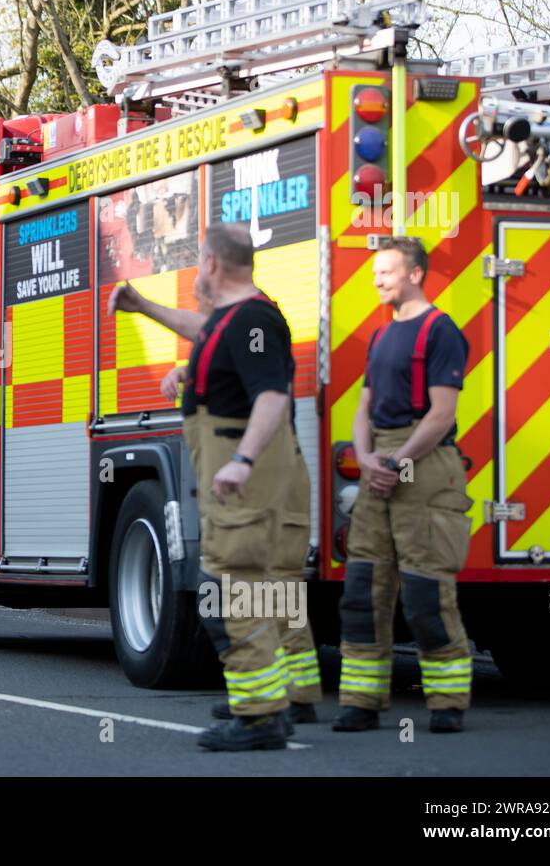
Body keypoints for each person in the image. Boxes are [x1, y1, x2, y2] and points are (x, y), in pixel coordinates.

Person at [111, 225, 310, 751]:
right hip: (229, 476)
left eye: (198, 260)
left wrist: (243, 460)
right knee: (240, 590)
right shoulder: (233, 320)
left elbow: (272, 396)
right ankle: (266, 704)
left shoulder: (255, 319)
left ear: (213, 263)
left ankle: (260, 715)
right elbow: (204, 333)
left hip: (242, 477)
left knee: (231, 591)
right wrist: (145, 309)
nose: (197, 270)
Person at [333, 236, 473, 734]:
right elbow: (364, 407)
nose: (376, 279)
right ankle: (361, 702)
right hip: (381, 462)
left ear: (415, 274)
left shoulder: (441, 332)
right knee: (364, 587)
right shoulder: (382, 335)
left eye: (387, 271)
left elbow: (441, 415)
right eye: (375, 272)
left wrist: (395, 461)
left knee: (424, 591)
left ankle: (448, 704)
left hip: (422, 460)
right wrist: (366, 457)